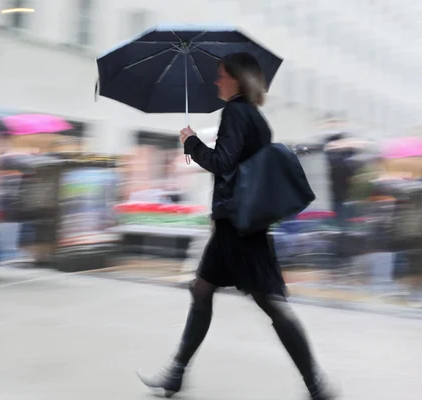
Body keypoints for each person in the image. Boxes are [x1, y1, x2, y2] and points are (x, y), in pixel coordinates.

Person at [137, 52, 335, 400]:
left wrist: (191, 142)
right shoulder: (256, 117)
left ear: (237, 79)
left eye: (221, 75)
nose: (216, 81)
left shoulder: (234, 112)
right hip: (240, 224)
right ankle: (176, 376)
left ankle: (316, 385)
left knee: (270, 303)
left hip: (238, 228)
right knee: (201, 290)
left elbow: (223, 162)